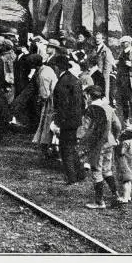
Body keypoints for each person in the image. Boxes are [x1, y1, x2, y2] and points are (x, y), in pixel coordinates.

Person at [83, 85, 122, 209]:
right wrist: (114, 137)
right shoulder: (109, 108)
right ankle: (116, 194)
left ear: (89, 96)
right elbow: (118, 125)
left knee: (96, 171)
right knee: (107, 170)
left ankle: (99, 202)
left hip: (97, 145)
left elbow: (85, 129)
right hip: (109, 143)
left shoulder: (91, 110)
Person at [50, 55, 85, 184]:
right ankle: (80, 173)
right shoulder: (75, 79)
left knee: (65, 150)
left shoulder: (62, 83)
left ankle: (71, 177)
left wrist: (58, 123)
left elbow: (63, 106)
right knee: (71, 147)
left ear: (58, 67)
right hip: (75, 120)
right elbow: (81, 103)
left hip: (66, 121)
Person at [32, 56, 58, 163]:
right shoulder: (47, 69)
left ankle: (46, 151)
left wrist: (39, 100)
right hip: (53, 99)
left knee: (46, 126)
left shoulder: (42, 75)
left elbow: (45, 94)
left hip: (50, 103)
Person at [114, 129, 132, 203]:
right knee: (129, 182)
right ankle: (128, 196)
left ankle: (125, 198)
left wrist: (117, 146)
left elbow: (122, 152)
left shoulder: (125, 142)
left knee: (125, 181)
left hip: (127, 165)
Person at [92, 31, 115, 107]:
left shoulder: (106, 50)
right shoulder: (94, 49)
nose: (97, 40)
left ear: (103, 40)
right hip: (94, 74)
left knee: (103, 91)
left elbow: (107, 65)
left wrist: (104, 77)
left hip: (102, 75)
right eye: (96, 38)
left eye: (99, 38)